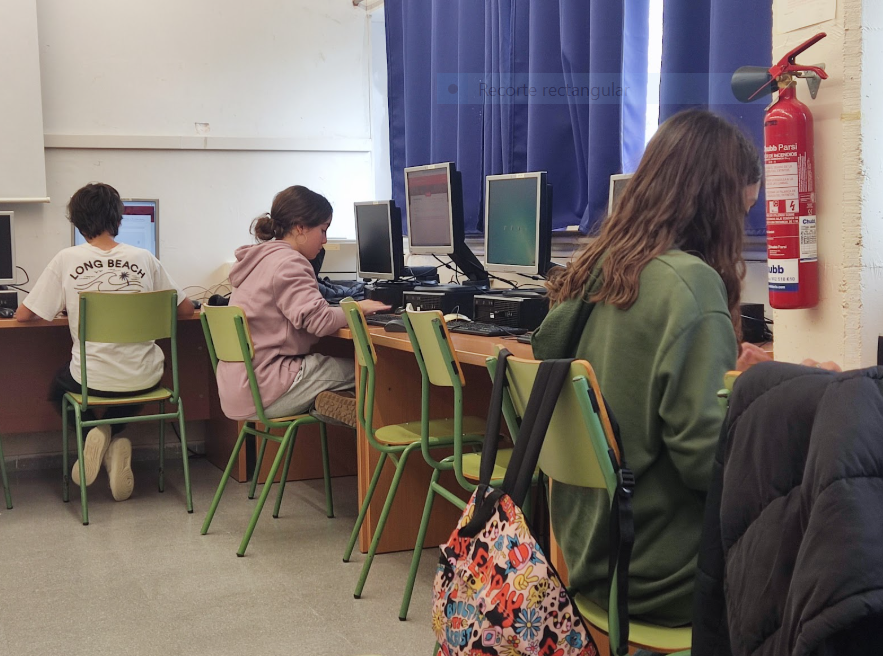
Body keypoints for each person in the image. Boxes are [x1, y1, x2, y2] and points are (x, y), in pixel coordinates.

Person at [531, 109, 763, 628]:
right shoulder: (690, 285)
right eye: (742, 212)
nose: (741, 230)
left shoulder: (595, 270)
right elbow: (705, 462)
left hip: (588, 552)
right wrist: (760, 402)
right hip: (661, 572)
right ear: (718, 204)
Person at [16, 182, 194, 502]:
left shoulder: (66, 259)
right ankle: (113, 439)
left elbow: (23, 315)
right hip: (144, 379)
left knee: (58, 388)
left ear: (77, 222)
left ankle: (94, 436)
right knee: (143, 377)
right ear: (118, 218)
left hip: (92, 381)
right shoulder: (145, 258)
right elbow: (186, 310)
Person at [215, 185, 388, 424]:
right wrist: (359, 308)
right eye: (323, 230)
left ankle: (322, 403)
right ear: (300, 227)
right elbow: (320, 322)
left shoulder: (258, 259)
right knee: (374, 371)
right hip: (265, 388)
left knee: (330, 365)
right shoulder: (289, 263)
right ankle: (327, 405)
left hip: (239, 388)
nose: (324, 240)